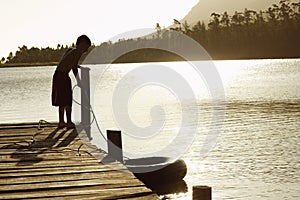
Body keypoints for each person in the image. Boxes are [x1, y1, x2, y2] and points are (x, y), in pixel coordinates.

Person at [51, 35, 91, 129]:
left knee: (61, 100)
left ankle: (61, 121)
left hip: (57, 75)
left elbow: (70, 62)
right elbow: (73, 67)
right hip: (63, 76)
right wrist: (79, 81)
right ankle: (69, 122)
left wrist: (79, 66)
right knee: (67, 100)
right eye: (87, 47)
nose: (86, 50)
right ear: (82, 44)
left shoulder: (70, 50)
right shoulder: (78, 52)